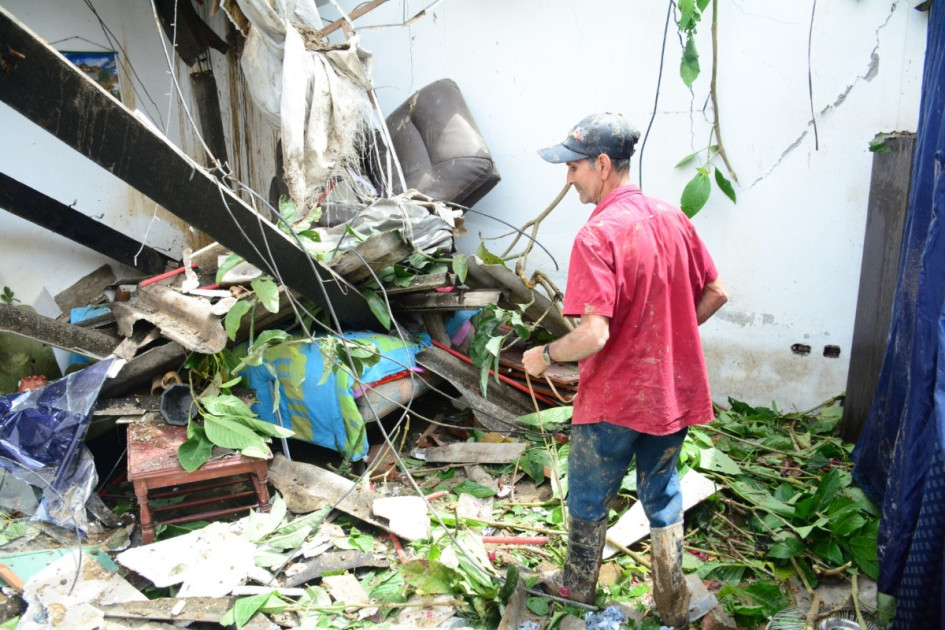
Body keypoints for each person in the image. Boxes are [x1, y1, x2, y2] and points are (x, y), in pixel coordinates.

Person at [522, 112, 727, 629]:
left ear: (603, 164)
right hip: (668, 394)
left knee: (589, 496)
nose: (569, 178)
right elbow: (716, 292)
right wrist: (667, 339)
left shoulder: (597, 235)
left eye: (574, 168)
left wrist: (544, 356)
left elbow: (594, 335)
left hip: (615, 399)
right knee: (663, 493)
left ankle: (577, 586)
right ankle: (671, 601)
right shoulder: (673, 218)